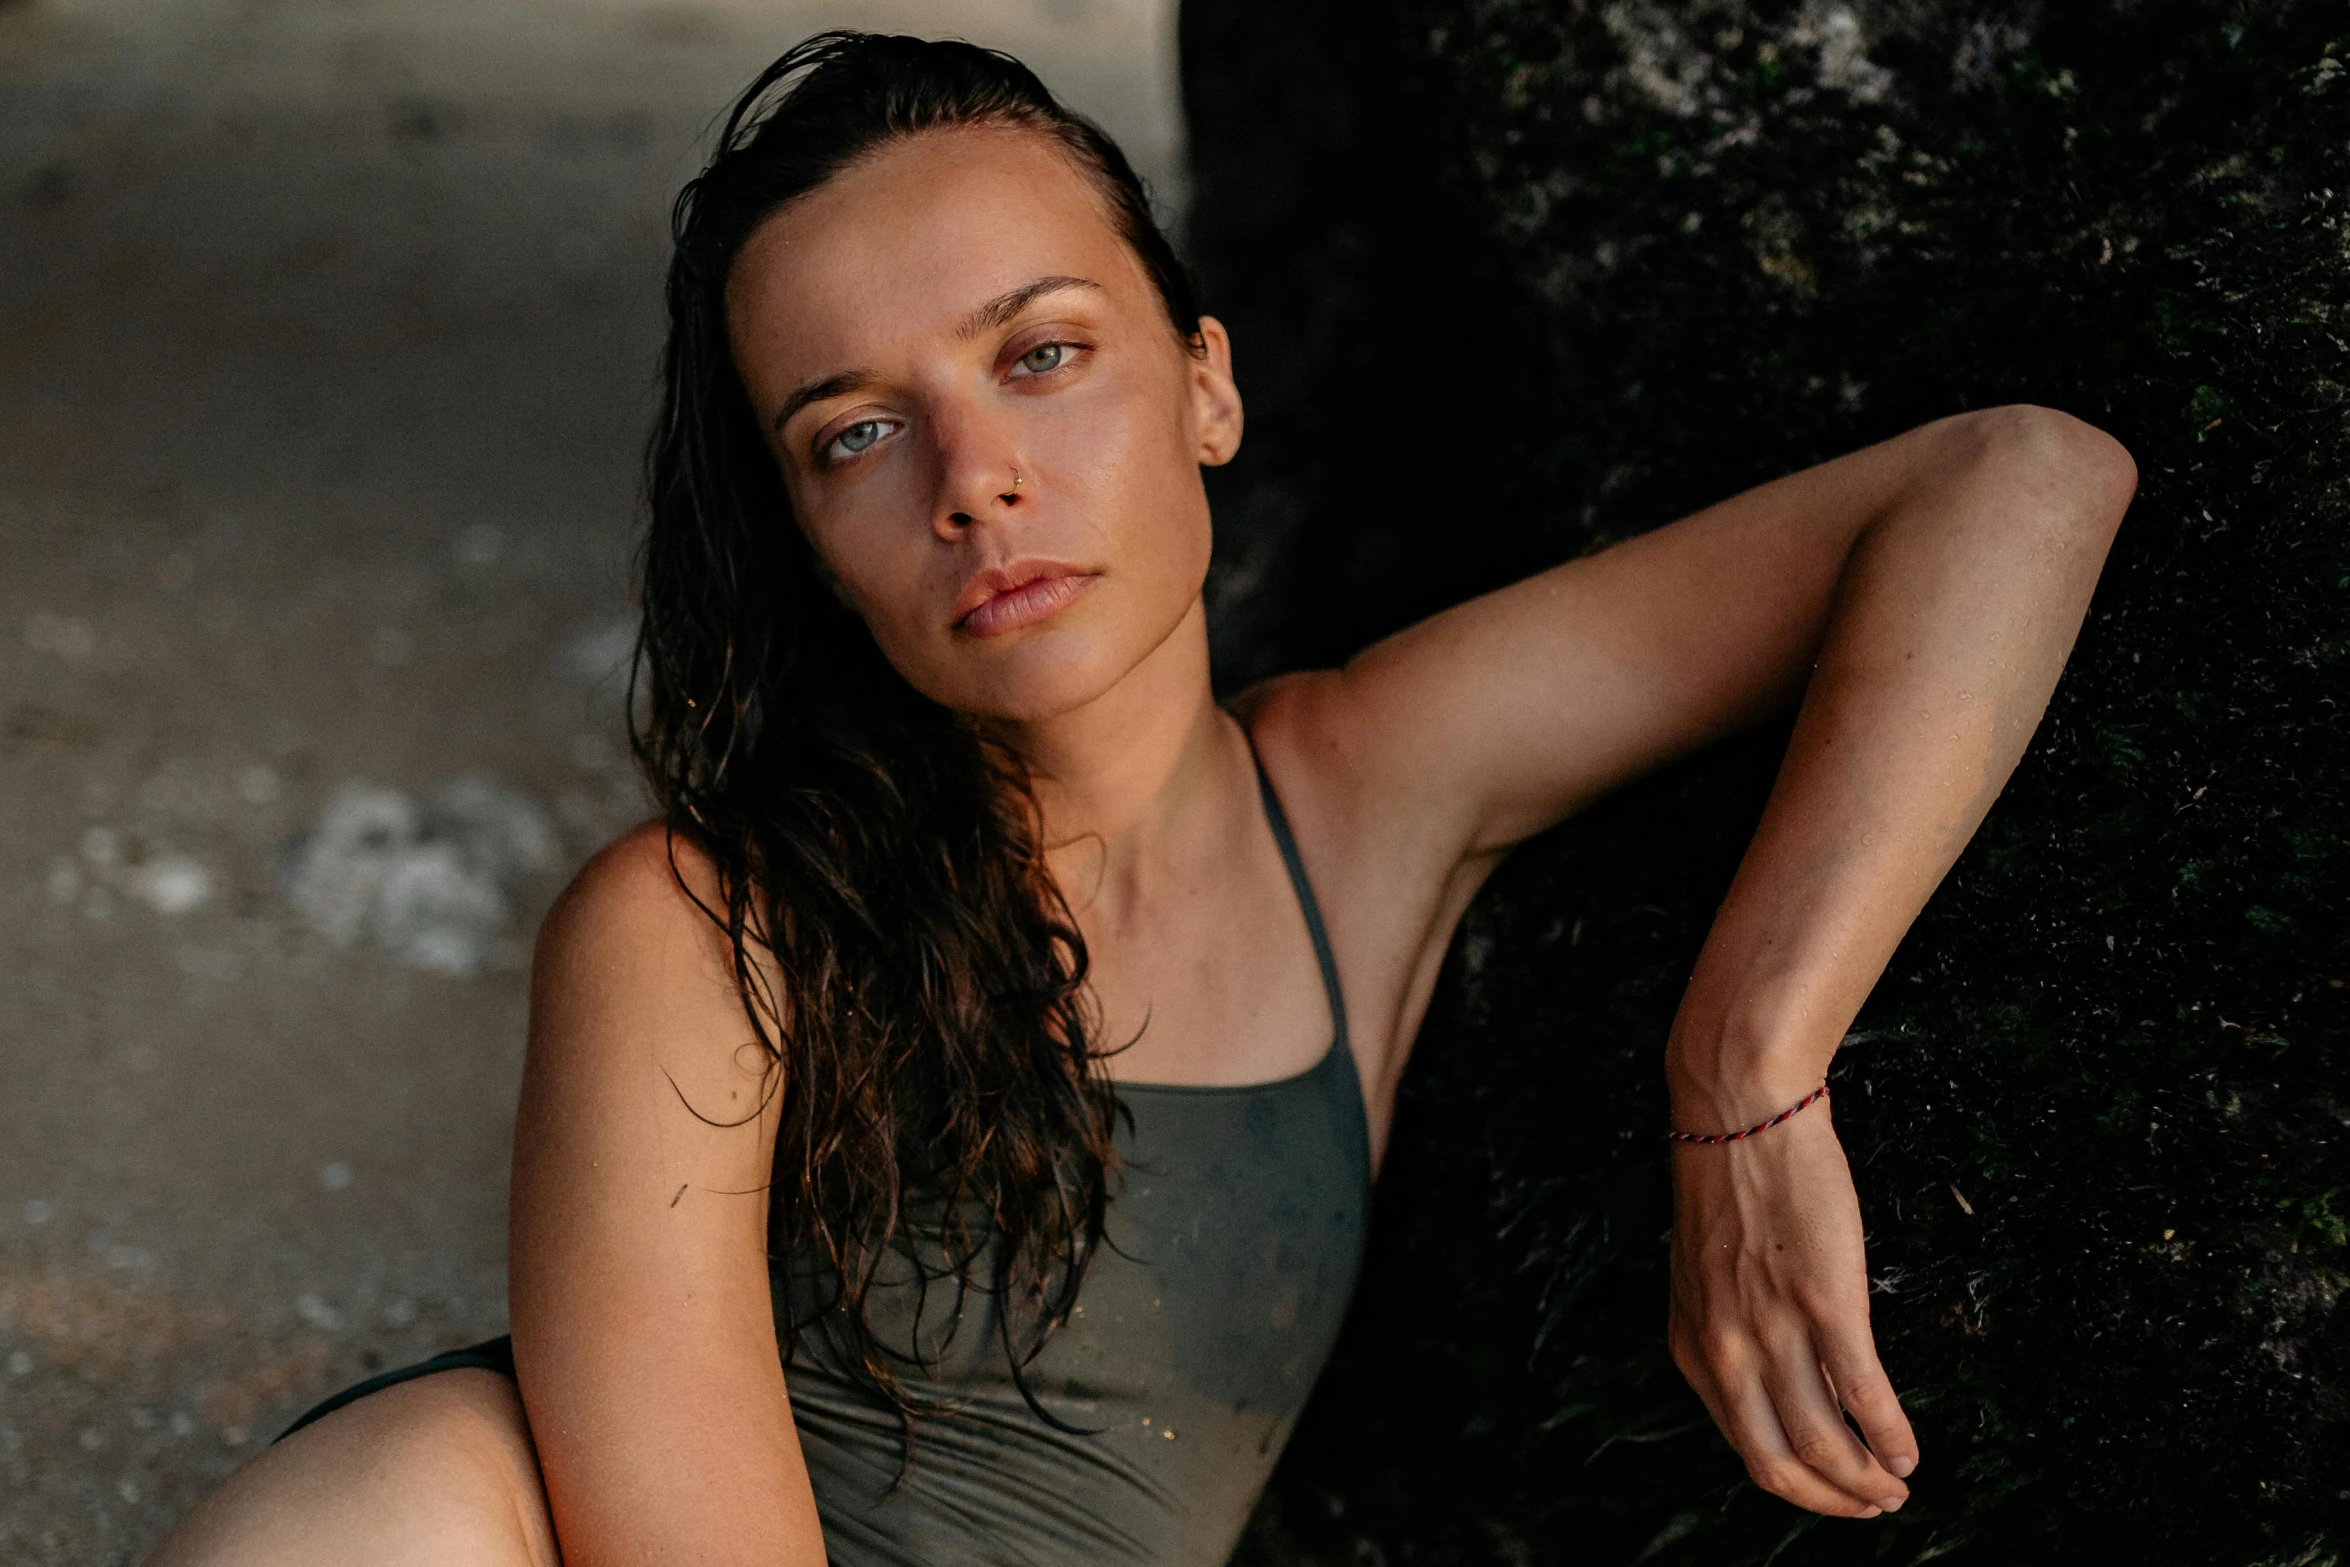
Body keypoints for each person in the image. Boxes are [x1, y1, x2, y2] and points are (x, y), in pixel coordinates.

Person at [148, 30, 2135, 1567]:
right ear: (803, 535)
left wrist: (1748, 1054)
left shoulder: (1359, 790)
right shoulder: (700, 930)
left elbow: (2013, 483)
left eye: (1041, 354)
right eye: (852, 434)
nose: (973, 476)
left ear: (1205, 383)